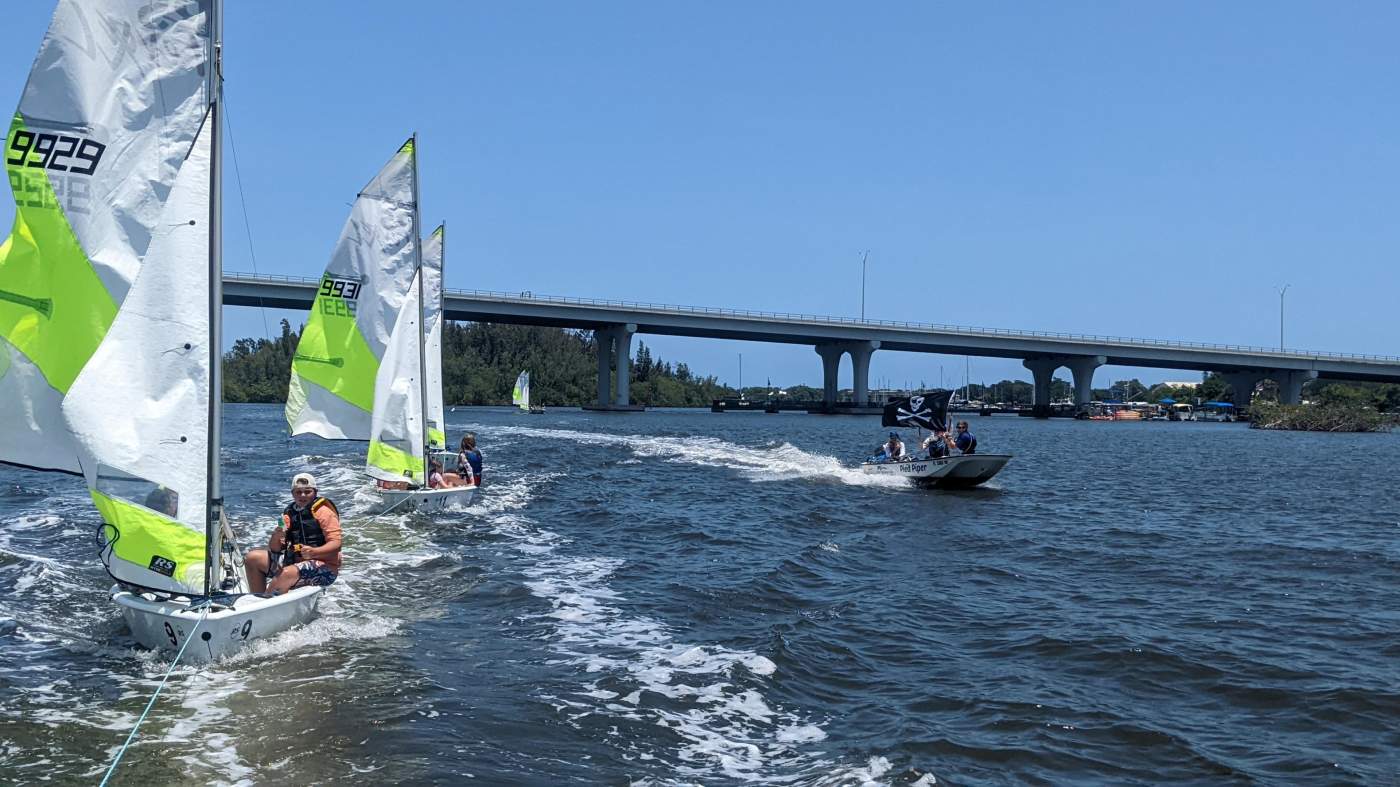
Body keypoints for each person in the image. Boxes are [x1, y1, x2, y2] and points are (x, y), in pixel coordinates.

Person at [244, 473, 341, 594]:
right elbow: (275, 549)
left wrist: (314, 552)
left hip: (325, 568)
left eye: (307, 491)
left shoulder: (324, 512)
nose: (303, 495)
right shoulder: (288, 514)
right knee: (253, 558)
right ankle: (257, 598)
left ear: (315, 492)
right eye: (298, 492)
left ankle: (264, 605)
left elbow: (336, 544)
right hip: (293, 562)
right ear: (292, 494)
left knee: (285, 574)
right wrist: (277, 535)